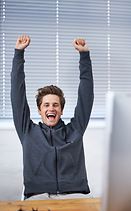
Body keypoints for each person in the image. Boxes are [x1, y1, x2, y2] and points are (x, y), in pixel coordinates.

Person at [11, 35, 94, 200]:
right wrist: (18, 54)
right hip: (38, 196)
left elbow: (86, 95)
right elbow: (17, 95)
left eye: (55, 105)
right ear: (39, 110)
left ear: (61, 110)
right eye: (46, 105)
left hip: (75, 195)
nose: (51, 108)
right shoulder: (28, 132)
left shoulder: (75, 130)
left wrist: (84, 56)